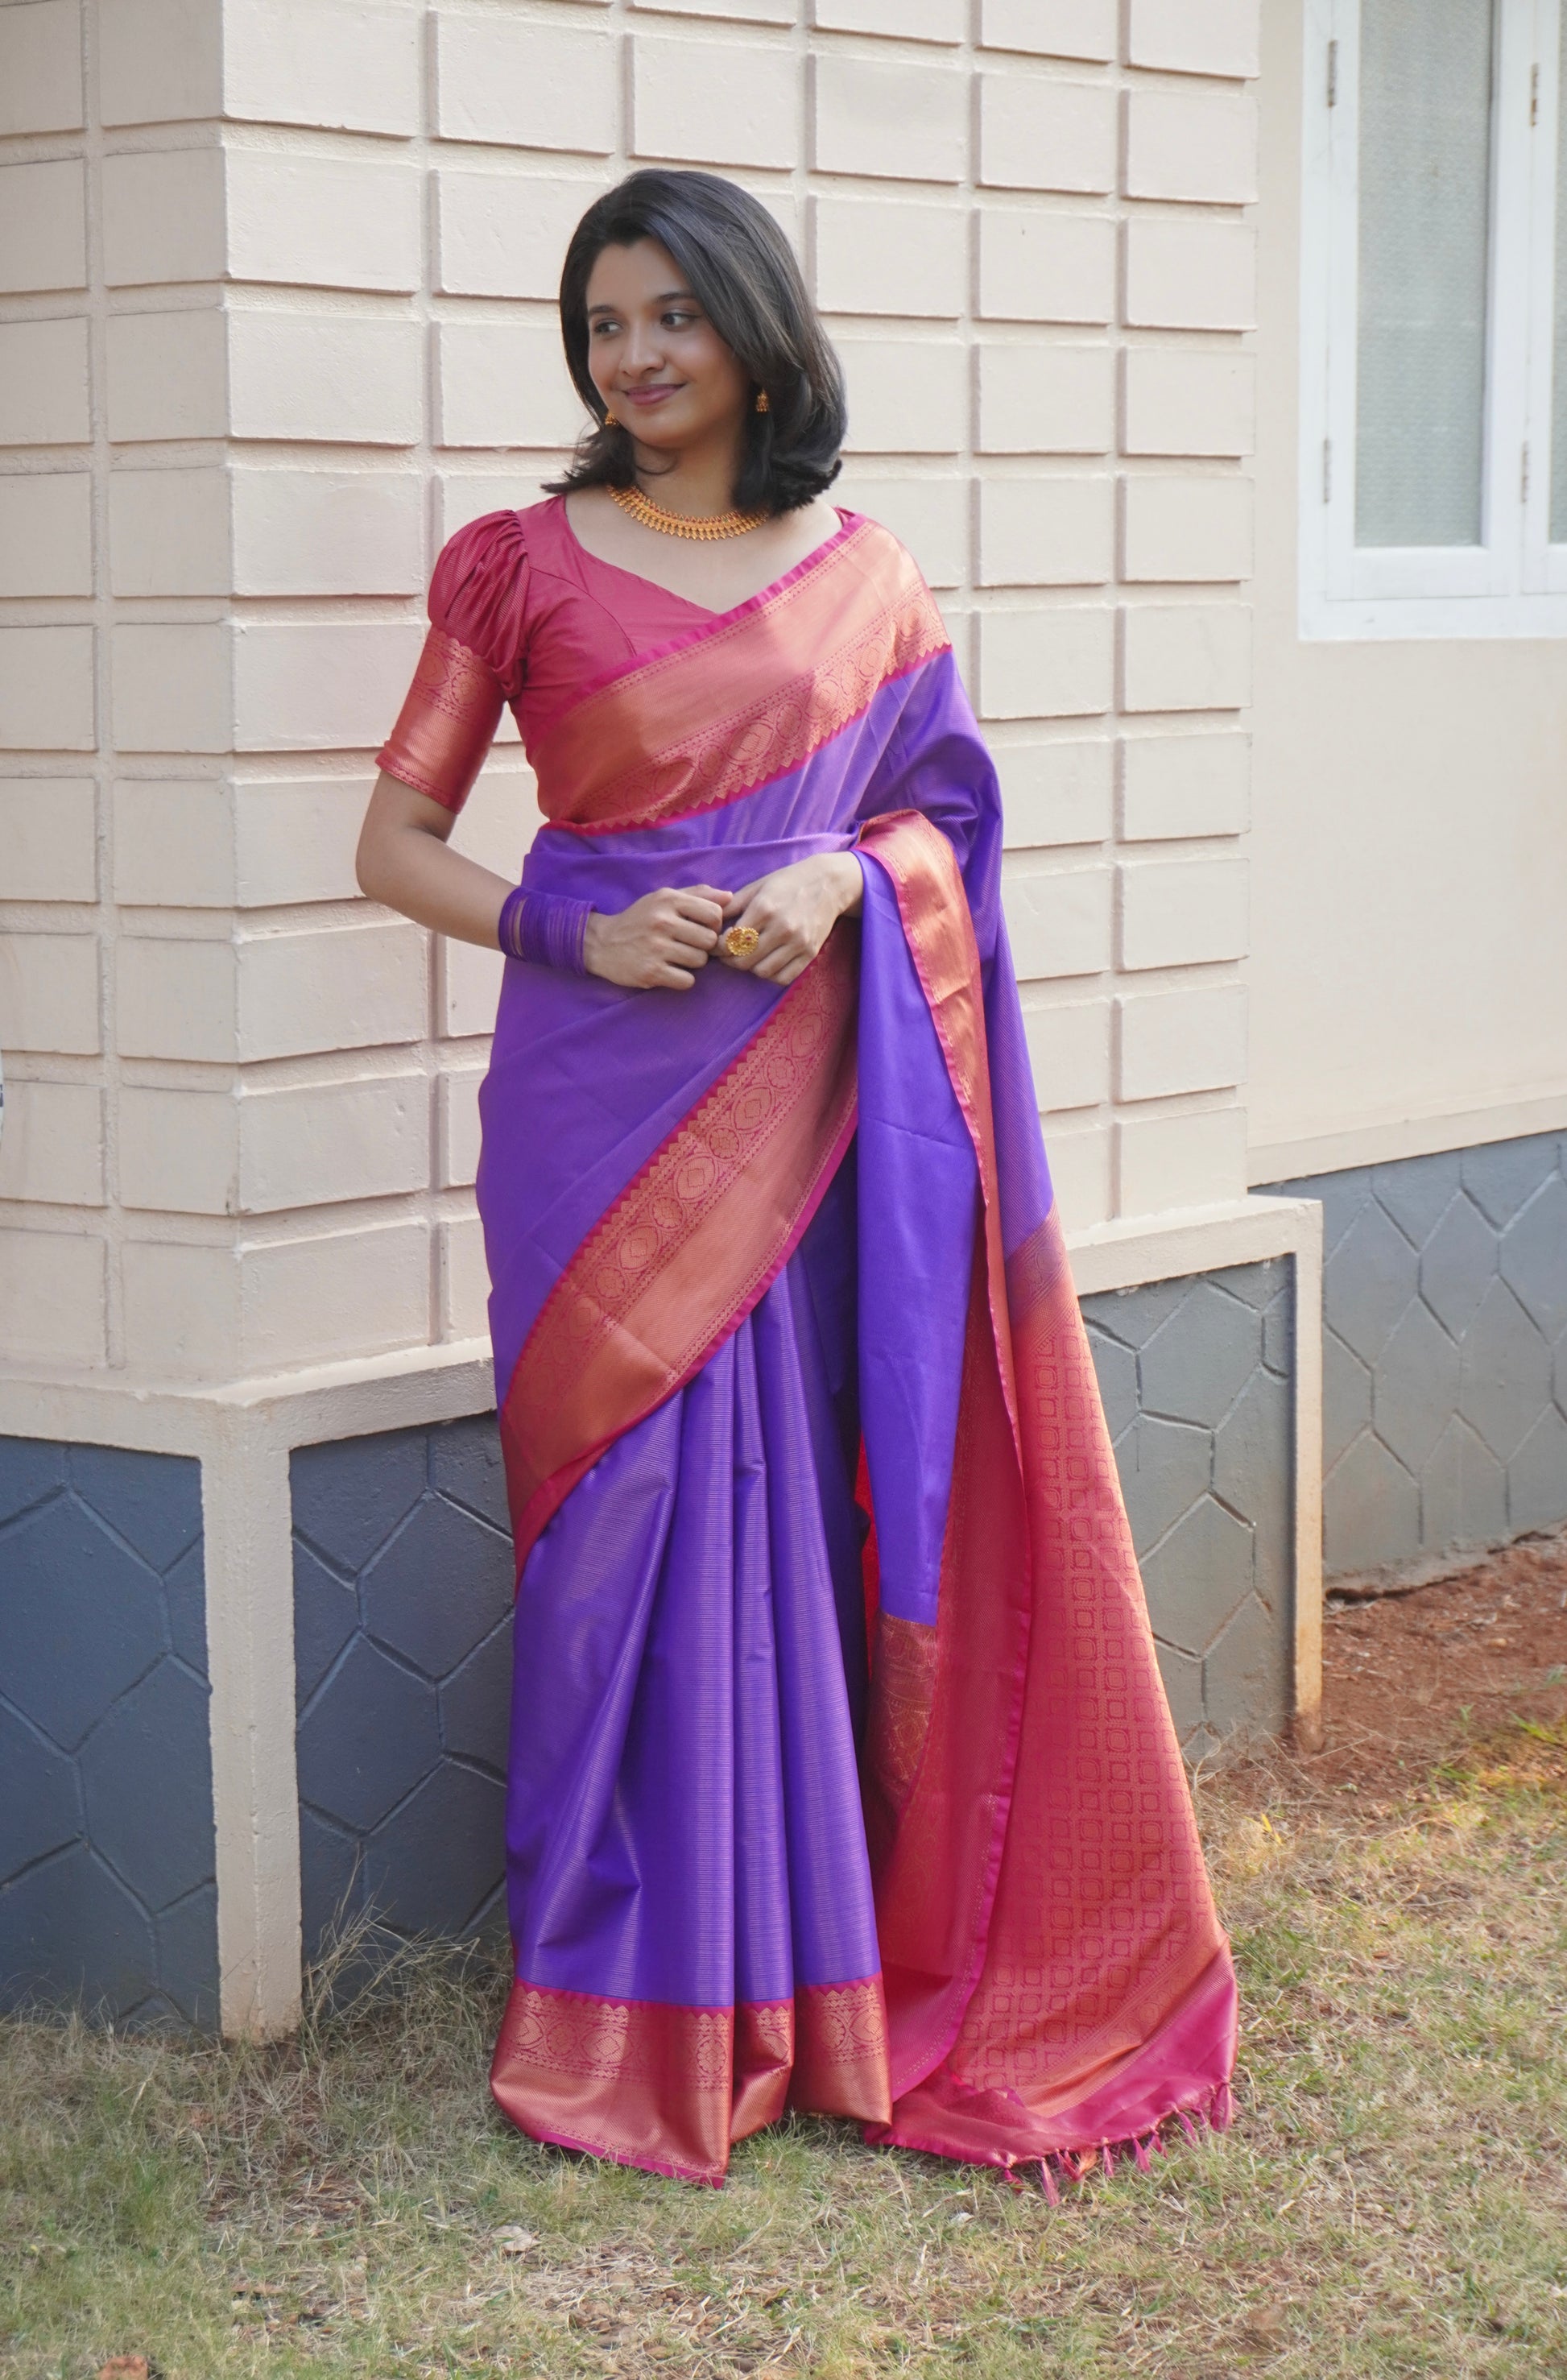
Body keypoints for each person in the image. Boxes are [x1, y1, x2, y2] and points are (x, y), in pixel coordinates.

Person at [358, 168, 1236, 2188]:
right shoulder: (512, 567)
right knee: (619, 1525)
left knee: (797, 1505)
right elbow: (390, 844)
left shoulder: (870, 582)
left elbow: (944, 829)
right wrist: (572, 929)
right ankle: (620, 1992)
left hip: (807, 1102)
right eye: (602, 324)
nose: (634, 356)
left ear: (755, 331)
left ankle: (810, 1974)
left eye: (670, 315)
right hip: (592, 1109)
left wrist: (845, 876)